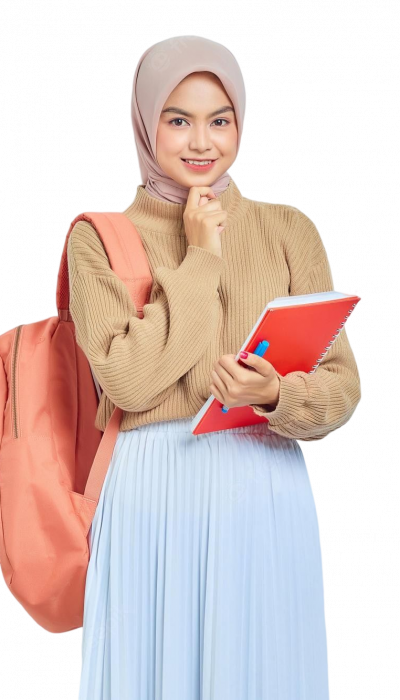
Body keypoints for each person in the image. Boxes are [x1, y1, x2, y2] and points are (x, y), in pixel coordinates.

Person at [69, 35, 361, 699]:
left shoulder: (290, 228)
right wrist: (200, 257)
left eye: (219, 119)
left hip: (265, 487)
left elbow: (341, 385)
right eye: (178, 119)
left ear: (242, 122)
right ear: (145, 122)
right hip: (152, 492)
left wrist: (277, 393)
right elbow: (129, 382)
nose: (201, 141)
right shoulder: (99, 237)